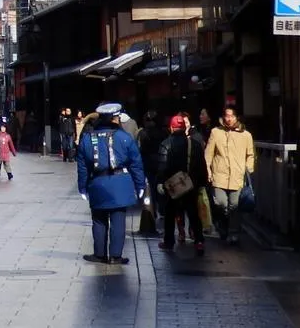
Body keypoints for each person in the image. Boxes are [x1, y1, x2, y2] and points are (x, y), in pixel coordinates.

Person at [76, 102, 147, 264]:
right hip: (120, 183)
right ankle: (115, 255)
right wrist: (140, 185)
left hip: (97, 183)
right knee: (118, 220)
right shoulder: (125, 138)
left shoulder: (87, 139)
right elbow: (136, 163)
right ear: (115, 118)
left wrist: (82, 187)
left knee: (99, 220)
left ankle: (99, 254)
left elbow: (82, 167)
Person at [204, 106, 255, 246]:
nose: (229, 118)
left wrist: (248, 169)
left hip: (237, 176)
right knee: (220, 203)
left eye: (231, 116)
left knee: (235, 206)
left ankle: (233, 233)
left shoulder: (246, 135)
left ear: (236, 117)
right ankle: (223, 224)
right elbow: (208, 153)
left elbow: (250, 154)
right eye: (226, 115)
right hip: (219, 175)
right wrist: (208, 170)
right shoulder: (216, 132)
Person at [156, 114, 207, 254]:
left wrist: (160, 182)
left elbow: (162, 165)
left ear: (171, 128)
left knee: (170, 213)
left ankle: (169, 241)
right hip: (190, 184)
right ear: (184, 128)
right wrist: (202, 182)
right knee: (193, 213)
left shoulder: (166, 144)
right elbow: (202, 166)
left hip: (172, 186)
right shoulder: (194, 144)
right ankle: (199, 240)